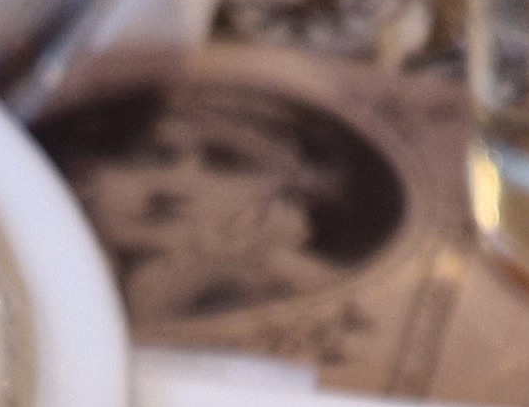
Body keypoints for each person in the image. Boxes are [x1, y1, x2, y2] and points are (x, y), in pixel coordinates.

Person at [34, 78, 407, 323]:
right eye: (146, 157)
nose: (173, 187)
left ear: (294, 196)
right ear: (84, 174)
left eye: (228, 163)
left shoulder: (306, 293)